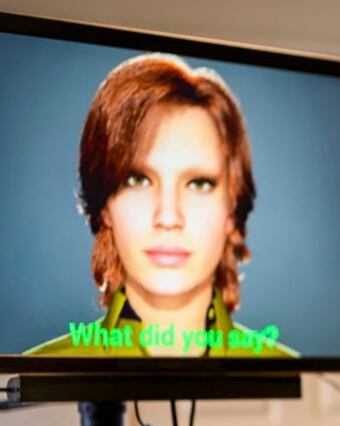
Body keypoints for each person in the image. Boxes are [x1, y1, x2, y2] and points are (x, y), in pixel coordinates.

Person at [26, 53, 297, 358]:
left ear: (232, 210)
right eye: (138, 180)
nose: (168, 217)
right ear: (105, 206)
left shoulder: (289, 370)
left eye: (199, 183)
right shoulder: (36, 375)